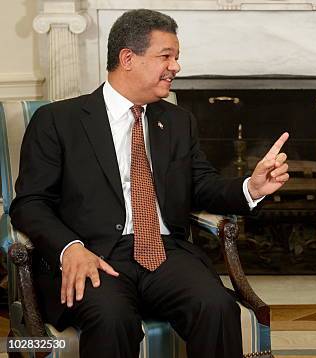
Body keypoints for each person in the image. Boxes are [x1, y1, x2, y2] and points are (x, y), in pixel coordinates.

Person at [9, 9, 289, 358]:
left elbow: (202, 185)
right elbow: (30, 203)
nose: (176, 66)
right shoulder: (57, 121)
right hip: (94, 254)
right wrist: (70, 248)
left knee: (217, 307)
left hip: (165, 252)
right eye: (166, 56)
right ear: (128, 58)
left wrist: (252, 188)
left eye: (177, 57)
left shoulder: (177, 121)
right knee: (111, 319)